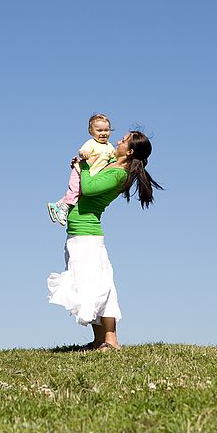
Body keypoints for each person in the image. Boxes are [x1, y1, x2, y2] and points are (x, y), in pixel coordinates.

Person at [47, 130, 162, 351]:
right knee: (87, 285)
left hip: (87, 236)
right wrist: (83, 162)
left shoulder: (119, 174)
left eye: (124, 140)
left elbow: (89, 189)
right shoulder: (112, 163)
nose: (117, 140)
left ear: (129, 152)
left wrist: (85, 168)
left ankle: (111, 340)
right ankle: (99, 340)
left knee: (99, 285)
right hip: (78, 233)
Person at [46, 113, 116, 226]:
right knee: (74, 192)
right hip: (79, 172)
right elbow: (82, 151)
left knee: (77, 193)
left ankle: (56, 205)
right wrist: (84, 153)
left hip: (89, 175)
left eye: (106, 130)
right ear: (91, 131)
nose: (103, 133)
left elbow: (113, 158)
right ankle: (63, 209)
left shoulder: (110, 146)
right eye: (99, 130)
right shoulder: (91, 143)